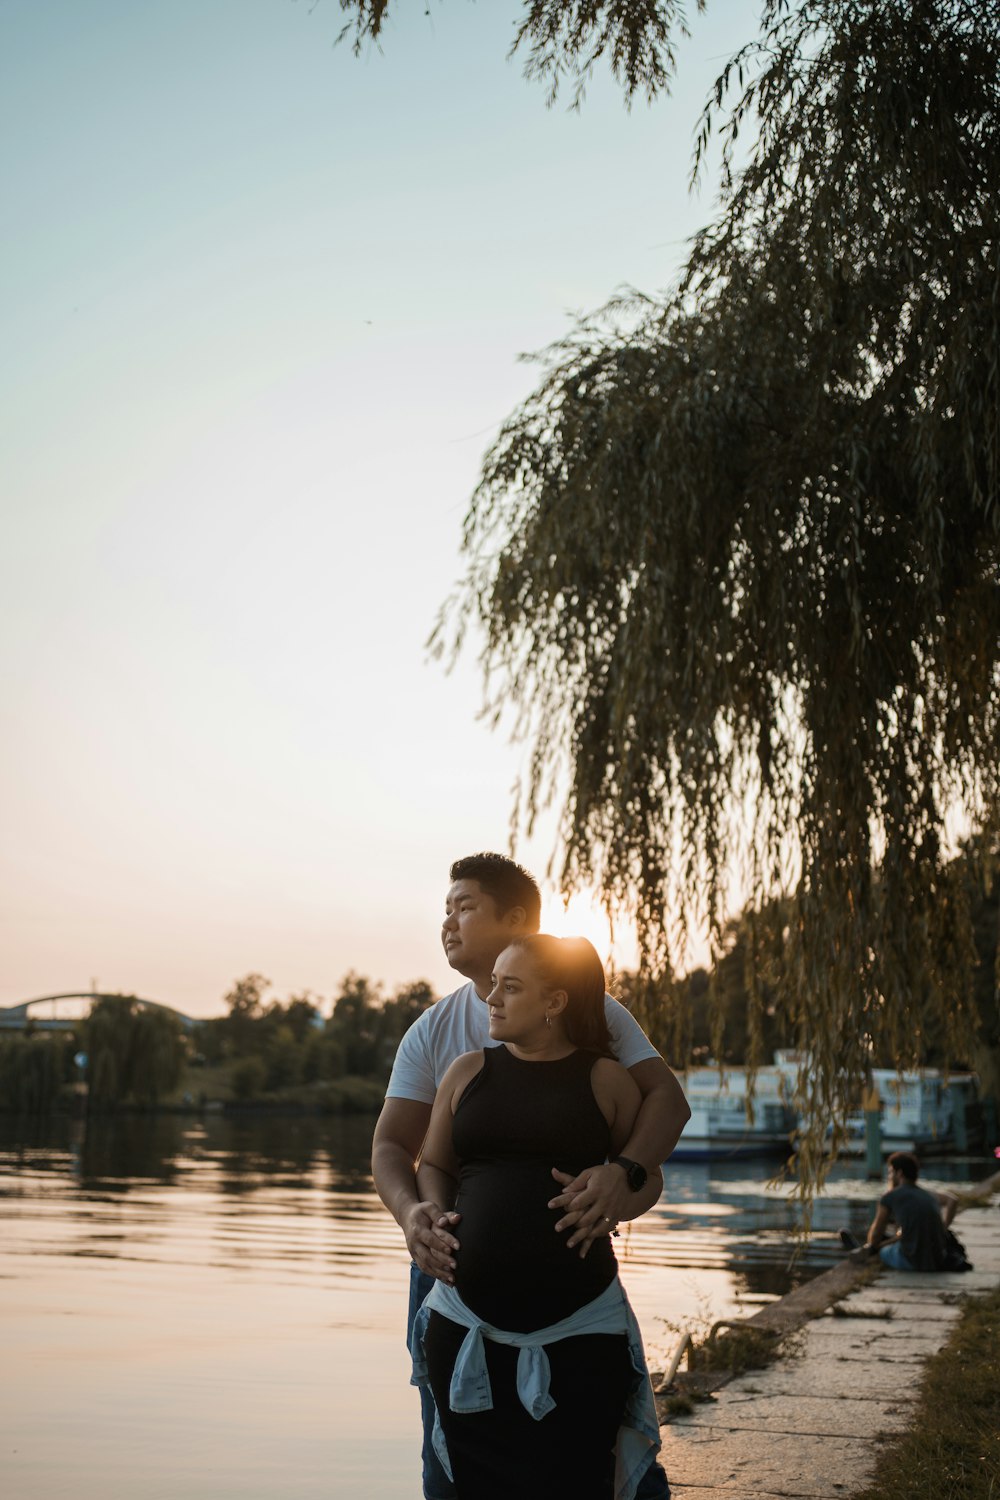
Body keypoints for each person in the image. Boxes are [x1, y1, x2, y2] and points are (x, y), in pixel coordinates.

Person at [371, 852, 690, 1500]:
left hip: (572, 1302)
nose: (448, 923)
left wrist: (622, 1176)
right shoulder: (434, 1035)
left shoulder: (593, 1024)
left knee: (589, 1466)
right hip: (448, 1273)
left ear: (517, 921)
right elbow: (393, 1148)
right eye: (445, 910)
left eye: (464, 907)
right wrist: (414, 1218)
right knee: (450, 1456)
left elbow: (664, 1108)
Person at [411, 934, 661, 1500]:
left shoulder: (605, 1080)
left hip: (582, 1333)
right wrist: (427, 1209)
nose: (491, 998)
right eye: (494, 983)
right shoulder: (467, 1072)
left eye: (510, 986)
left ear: (554, 1003)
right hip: (465, 1327)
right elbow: (435, 1165)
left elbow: (649, 1178)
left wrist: (622, 1185)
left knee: (575, 1484)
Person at [863, 1151, 959, 1270]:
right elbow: (953, 1200)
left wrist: (874, 1246)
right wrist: (944, 1227)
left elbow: (876, 1236)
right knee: (897, 1240)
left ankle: (868, 1257)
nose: (889, 1177)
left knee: (883, 1252)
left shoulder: (890, 1196)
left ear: (899, 1173)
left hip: (912, 1261)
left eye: (890, 1172)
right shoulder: (929, 1196)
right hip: (938, 1259)